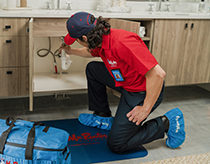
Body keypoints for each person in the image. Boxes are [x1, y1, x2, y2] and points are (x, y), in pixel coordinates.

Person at [61, 11, 186, 153]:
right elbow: (90, 52)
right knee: (93, 69)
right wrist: (70, 51)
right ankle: (103, 116)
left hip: (142, 91)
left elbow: (158, 75)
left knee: (117, 144)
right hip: (125, 81)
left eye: (75, 39)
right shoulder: (99, 38)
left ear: (84, 37)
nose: (76, 41)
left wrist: (145, 108)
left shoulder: (123, 42)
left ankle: (167, 122)